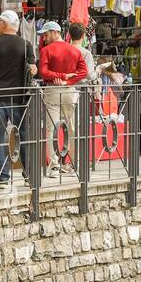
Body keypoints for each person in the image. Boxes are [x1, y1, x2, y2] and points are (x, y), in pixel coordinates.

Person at [0, 9, 37, 187]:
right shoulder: (25, 44)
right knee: (24, 136)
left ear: (5, 24)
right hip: (19, 98)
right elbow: (34, 70)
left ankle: (3, 178)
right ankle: (29, 176)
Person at [37, 20, 85, 175]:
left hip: (52, 90)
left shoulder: (46, 50)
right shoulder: (74, 50)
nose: (44, 38)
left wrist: (59, 77)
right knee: (72, 128)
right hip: (69, 90)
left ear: (54, 32)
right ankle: (72, 162)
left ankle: (53, 164)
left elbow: (43, 73)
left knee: (51, 128)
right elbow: (84, 71)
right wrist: (67, 79)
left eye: (45, 35)